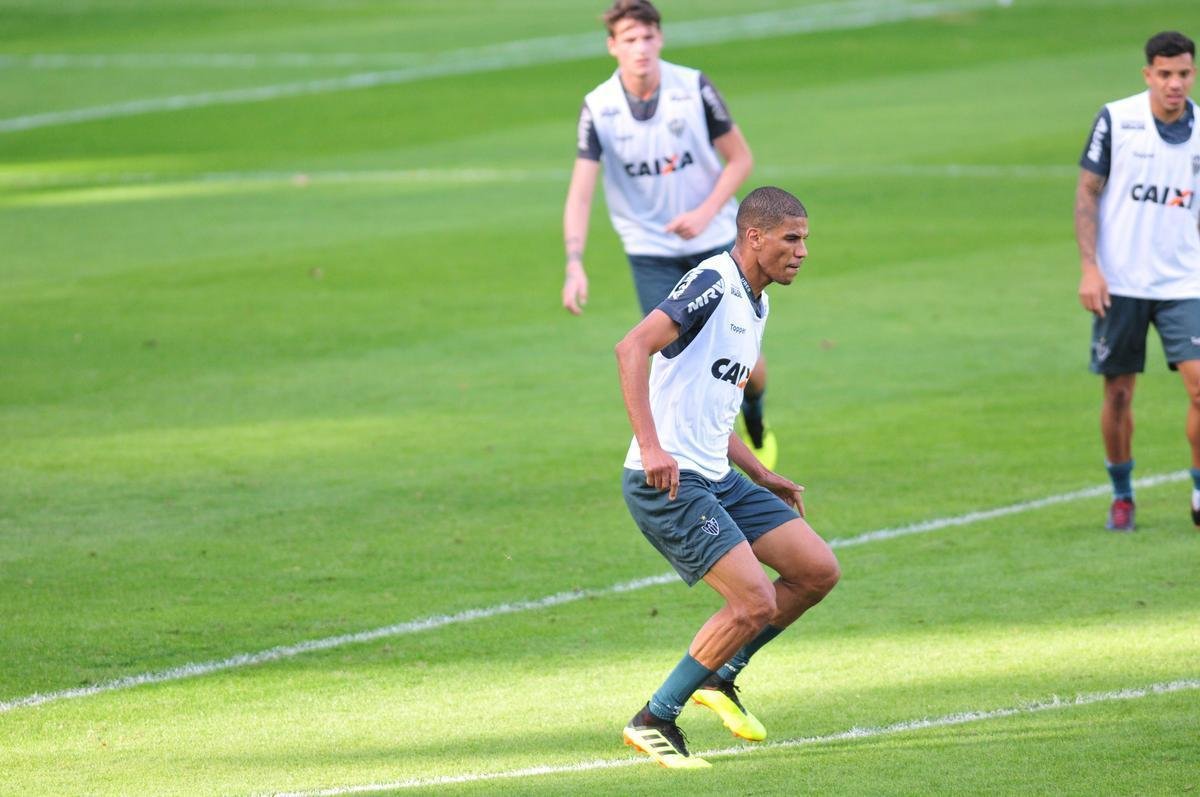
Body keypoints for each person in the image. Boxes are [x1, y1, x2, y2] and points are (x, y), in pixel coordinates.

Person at [614, 186, 840, 768]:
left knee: (816, 571)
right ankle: (654, 717)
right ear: (754, 237)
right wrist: (651, 445)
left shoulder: (758, 302)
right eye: (792, 239)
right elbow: (631, 347)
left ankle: (720, 675)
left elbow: (711, 404)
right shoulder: (712, 284)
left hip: (717, 473)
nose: (802, 252)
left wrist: (760, 471)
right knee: (754, 601)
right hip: (667, 481)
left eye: (805, 239)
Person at [562, 0, 779, 469]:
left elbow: (740, 158)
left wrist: (703, 213)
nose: (641, 48)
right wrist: (574, 262)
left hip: (719, 245)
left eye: (647, 37)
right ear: (612, 46)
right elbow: (580, 192)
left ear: (660, 39)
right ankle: (694, 460)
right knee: (676, 357)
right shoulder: (599, 108)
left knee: (744, 364)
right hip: (651, 253)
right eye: (630, 39)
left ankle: (754, 408)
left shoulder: (693, 87)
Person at [1076, 30, 1200, 532]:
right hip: (1121, 281)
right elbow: (1088, 192)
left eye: (1184, 74)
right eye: (1165, 74)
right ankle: (1123, 495)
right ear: (1148, 73)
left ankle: (1198, 488)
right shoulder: (1117, 119)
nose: (1175, 84)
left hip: (1184, 283)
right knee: (1120, 394)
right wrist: (1090, 267)